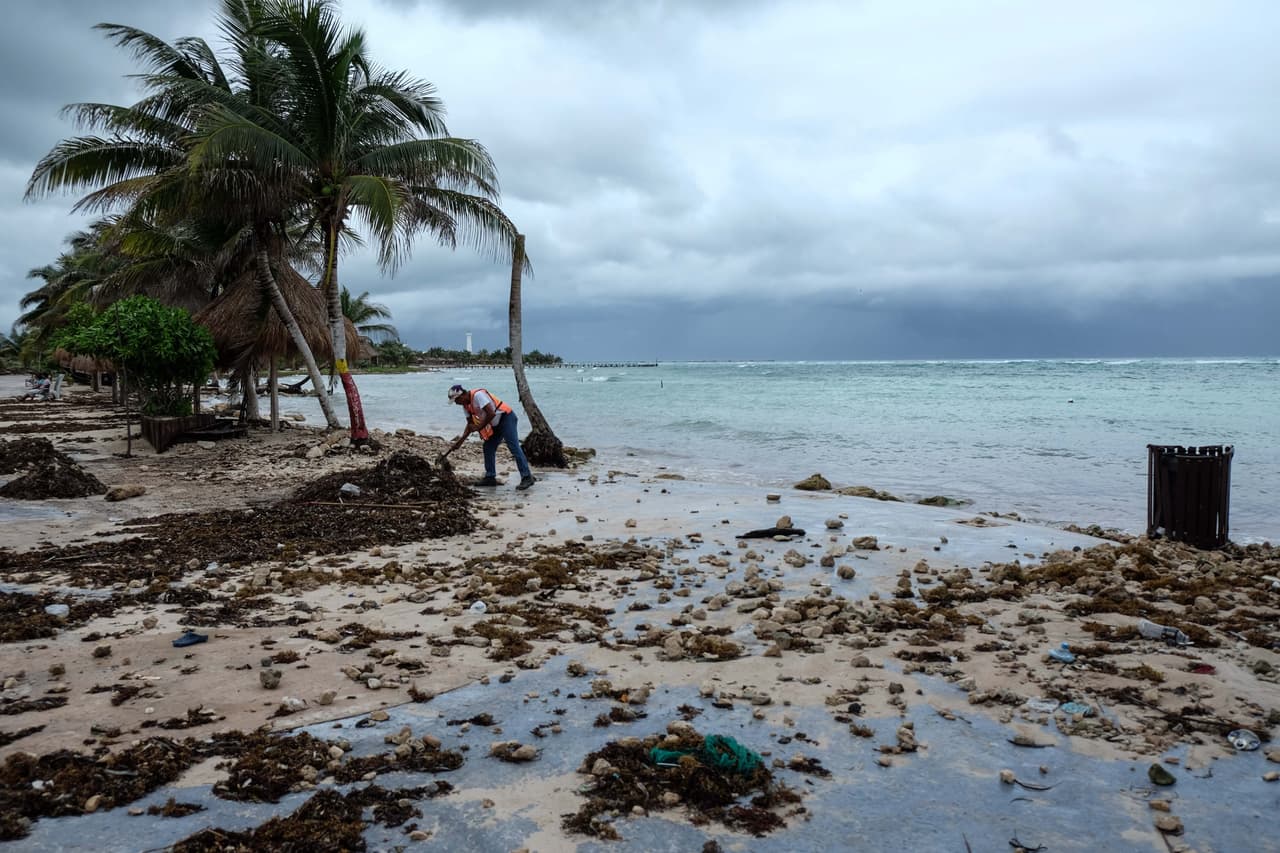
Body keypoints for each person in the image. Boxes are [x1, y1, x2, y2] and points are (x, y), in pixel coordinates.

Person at [443, 384, 536, 490]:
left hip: (506, 418)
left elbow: (491, 413)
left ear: (462, 395)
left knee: (514, 447)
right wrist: (460, 442)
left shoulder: (478, 395)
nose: (456, 403)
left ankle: (527, 477)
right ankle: (490, 477)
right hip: (494, 424)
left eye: (456, 400)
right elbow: (470, 425)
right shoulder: (466, 406)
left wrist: (479, 427)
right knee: (488, 447)